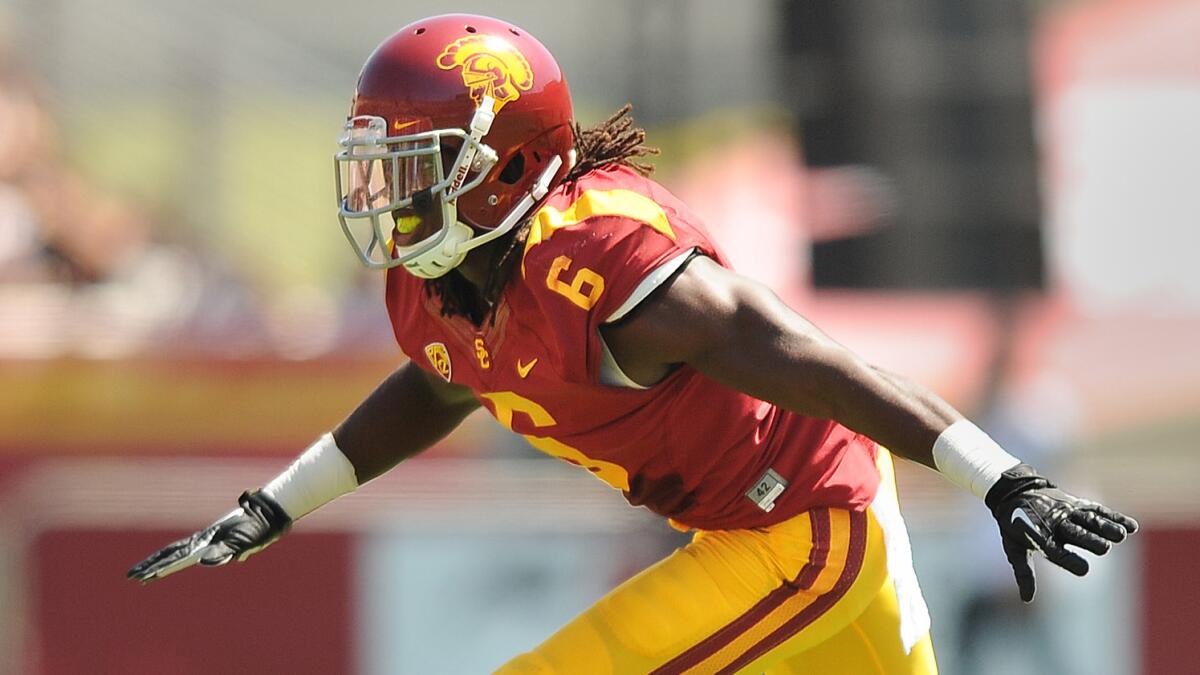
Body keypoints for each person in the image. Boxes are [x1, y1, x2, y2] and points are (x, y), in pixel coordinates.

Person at [127, 14, 1137, 674]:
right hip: (744, 530)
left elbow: (817, 364)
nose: (388, 199)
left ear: (503, 164)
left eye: (415, 168)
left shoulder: (608, 271)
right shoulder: (439, 281)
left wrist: (1005, 480)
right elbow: (442, 383)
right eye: (378, 170)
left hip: (806, 529)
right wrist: (274, 505)